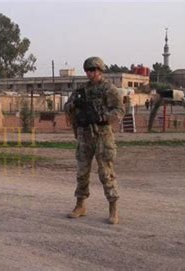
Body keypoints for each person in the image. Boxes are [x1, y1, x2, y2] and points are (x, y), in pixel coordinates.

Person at [64, 57, 125, 224]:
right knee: (82, 172)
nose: (90, 73)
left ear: (100, 70)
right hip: (84, 135)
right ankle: (80, 205)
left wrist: (103, 116)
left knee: (106, 173)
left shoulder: (108, 89)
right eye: (87, 71)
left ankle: (113, 209)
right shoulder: (81, 89)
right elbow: (67, 107)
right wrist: (74, 105)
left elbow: (120, 110)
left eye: (93, 70)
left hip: (102, 134)